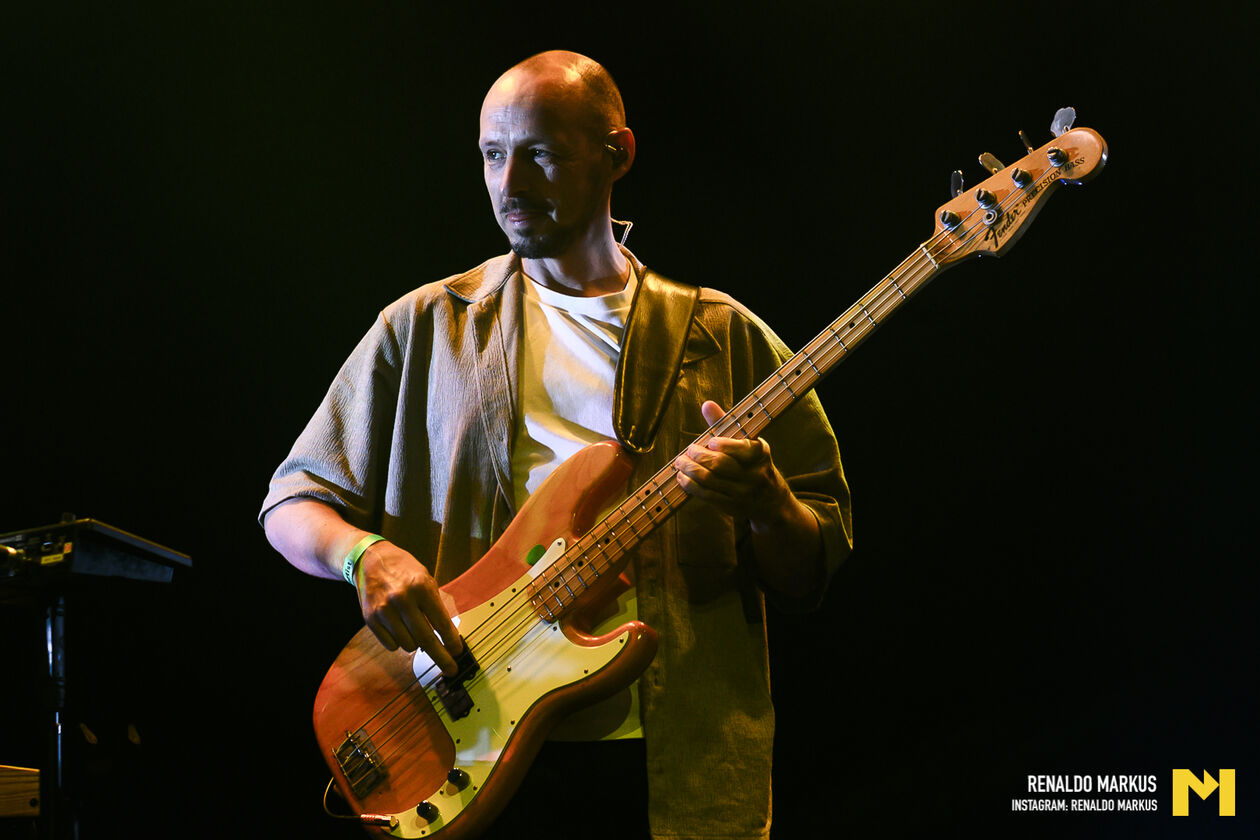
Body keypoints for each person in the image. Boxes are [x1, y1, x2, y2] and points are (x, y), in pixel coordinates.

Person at [260, 50, 852, 840]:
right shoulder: (426, 326)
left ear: (618, 154)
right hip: (465, 747)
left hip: (669, 766)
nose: (509, 184)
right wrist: (364, 557)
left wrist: (768, 503)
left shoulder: (721, 335)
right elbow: (292, 503)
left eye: (540, 153)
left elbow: (812, 569)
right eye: (492, 154)